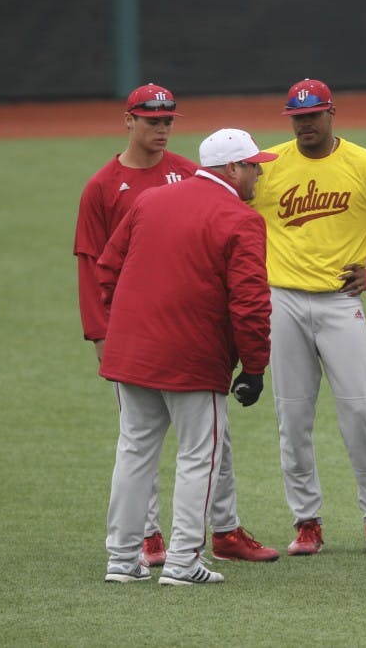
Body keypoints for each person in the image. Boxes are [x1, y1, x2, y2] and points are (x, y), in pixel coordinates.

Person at [74, 84, 278, 565]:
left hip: (135, 347)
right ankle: (183, 560)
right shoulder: (110, 188)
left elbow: (108, 269)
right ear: (232, 169)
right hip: (190, 352)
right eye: (254, 166)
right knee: (198, 454)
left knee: (136, 451)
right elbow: (249, 302)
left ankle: (122, 561)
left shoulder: (166, 189)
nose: (259, 175)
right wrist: (255, 365)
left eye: (168, 121)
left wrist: (124, 323)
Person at [250, 78, 366, 556]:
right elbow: (235, 219)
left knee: (360, 410)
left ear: (331, 112)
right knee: (292, 416)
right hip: (285, 301)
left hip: (341, 302)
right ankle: (306, 521)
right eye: (297, 118)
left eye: (312, 115)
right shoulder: (270, 166)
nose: (305, 125)